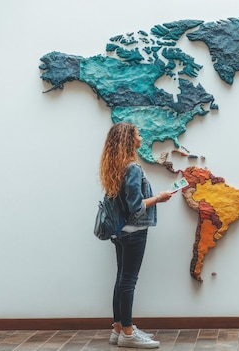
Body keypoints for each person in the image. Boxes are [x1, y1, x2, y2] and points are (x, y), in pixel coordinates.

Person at [99, 122, 172, 349]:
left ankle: (119, 329)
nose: (142, 135)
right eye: (138, 133)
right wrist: (159, 197)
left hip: (120, 232)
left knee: (121, 279)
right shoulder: (132, 168)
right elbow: (136, 207)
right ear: (130, 140)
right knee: (128, 281)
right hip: (133, 232)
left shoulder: (115, 167)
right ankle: (129, 333)